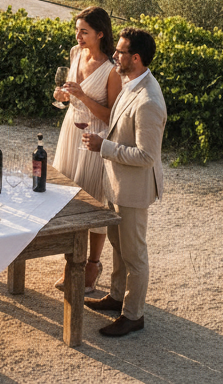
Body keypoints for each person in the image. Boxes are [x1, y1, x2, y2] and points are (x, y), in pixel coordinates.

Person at [82, 26, 167, 337]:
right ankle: (117, 297)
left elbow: (147, 156)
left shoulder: (149, 101)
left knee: (134, 254)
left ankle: (134, 315)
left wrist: (104, 147)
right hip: (117, 182)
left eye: (119, 52)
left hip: (133, 189)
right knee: (118, 246)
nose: (114, 55)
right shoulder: (130, 82)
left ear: (136, 58)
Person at [51, 5, 122, 295]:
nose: (78, 36)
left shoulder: (112, 70)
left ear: (100, 33)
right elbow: (70, 97)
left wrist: (81, 95)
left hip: (95, 136)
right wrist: (63, 95)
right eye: (77, 30)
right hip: (71, 130)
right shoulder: (74, 53)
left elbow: (111, 116)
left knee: (94, 199)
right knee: (67, 194)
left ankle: (92, 264)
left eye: (84, 31)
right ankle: (73, 260)